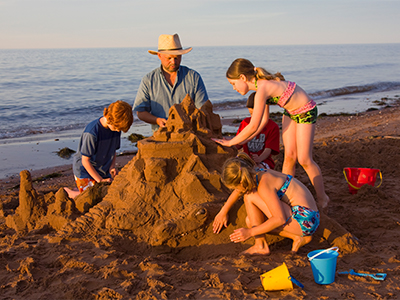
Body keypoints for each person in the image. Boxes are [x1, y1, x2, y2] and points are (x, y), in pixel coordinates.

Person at [212, 58, 329, 210]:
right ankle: (286, 194)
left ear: (242, 77)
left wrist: (231, 142)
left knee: (304, 159)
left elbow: (253, 125)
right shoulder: (260, 89)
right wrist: (241, 141)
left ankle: (322, 199)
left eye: (233, 84)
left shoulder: (263, 89)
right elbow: (262, 122)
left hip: (306, 110)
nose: (233, 88)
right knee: (289, 157)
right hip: (290, 111)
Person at [213, 153, 320, 255]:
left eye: (235, 187)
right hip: (310, 215)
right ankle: (297, 237)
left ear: (241, 182)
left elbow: (280, 219)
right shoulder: (257, 172)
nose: (236, 190)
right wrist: (223, 211)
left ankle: (261, 246)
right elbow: (239, 191)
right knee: (251, 221)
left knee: (249, 196)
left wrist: (249, 233)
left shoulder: (264, 186)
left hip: (304, 220)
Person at [133, 33, 209, 132]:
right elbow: (141, 112)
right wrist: (157, 120)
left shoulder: (193, 77)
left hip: (189, 134)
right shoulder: (148, 80)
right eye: (169, 58)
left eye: (177, 58)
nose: (173, 62)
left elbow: (203, 108)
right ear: (159, 56)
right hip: (160, 137)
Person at [64, 100, 134, 199]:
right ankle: (70, 193)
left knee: (110, 193)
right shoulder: (92, 133)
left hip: (103, 170)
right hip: (85, 170)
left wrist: (112, 167)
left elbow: (113, 150)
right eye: (118, 128)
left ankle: (81, 188)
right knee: (90, 198)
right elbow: (85, 161)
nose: (119, 131)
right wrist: (100, 181)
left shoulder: (115, 129)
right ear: (110, 119)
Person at [237, 91, 280, 170]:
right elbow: (238, 144)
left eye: (255, 114)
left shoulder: (272, 127)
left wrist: (259, 159)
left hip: (264, 161)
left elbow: (268, 149)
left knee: (258, 169)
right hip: (246, 159)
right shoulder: (245, 123)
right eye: (251, 113)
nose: (253, 117)